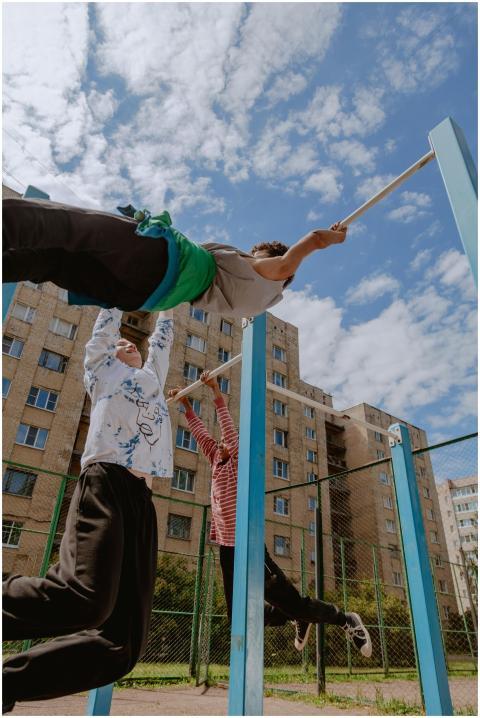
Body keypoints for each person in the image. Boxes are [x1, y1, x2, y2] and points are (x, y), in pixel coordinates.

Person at [2, 307, 174, 713]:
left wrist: (172, 300)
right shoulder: (102, 373)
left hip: (142, 502)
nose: (127, 345)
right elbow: (104, 330)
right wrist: (118, 297)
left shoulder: (152, 378)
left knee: (121, 645)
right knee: (84, 599)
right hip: (108, 481)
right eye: (120, 345)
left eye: (133, 344)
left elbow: (165, 335)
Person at [168, 371, 372, 657]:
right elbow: (201, 434)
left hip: (248, 546)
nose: (222, 443)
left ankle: (344, 619)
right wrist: (186, 405)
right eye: (221, 444)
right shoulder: (216, 459)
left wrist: (215, 390)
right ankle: (294, 616)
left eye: (227, 442)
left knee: (296, 603)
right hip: (227, 549)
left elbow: (226, 426)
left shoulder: (237, 463)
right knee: (237, 617)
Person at [3, 198, 347, 318]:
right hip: (143, 295)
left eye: (252, 254)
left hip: (162, 262)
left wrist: (330, 237)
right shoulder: (254, 307)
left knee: (72, 227)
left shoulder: (269, 273)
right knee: (50, 262)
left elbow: (303, 249)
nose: (248, 257)